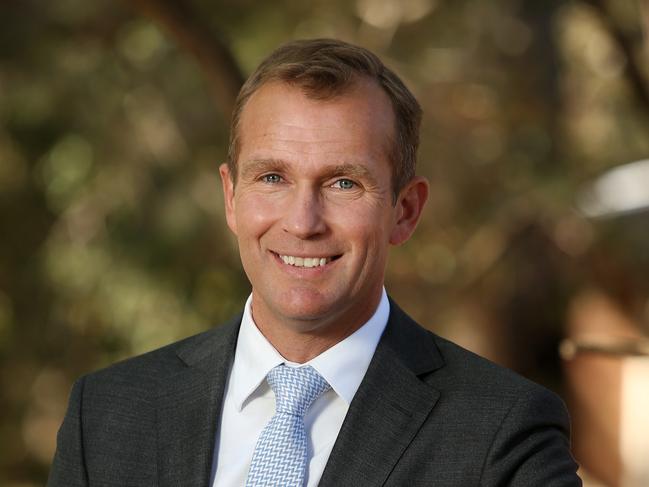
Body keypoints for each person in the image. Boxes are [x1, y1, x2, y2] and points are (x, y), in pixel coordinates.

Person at [48, 38, 581, 486]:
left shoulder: (503, 435)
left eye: (343, 183)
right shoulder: (106, 416)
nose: (303, 222)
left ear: (405, 211)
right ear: (231, 197)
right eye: (273, 178)